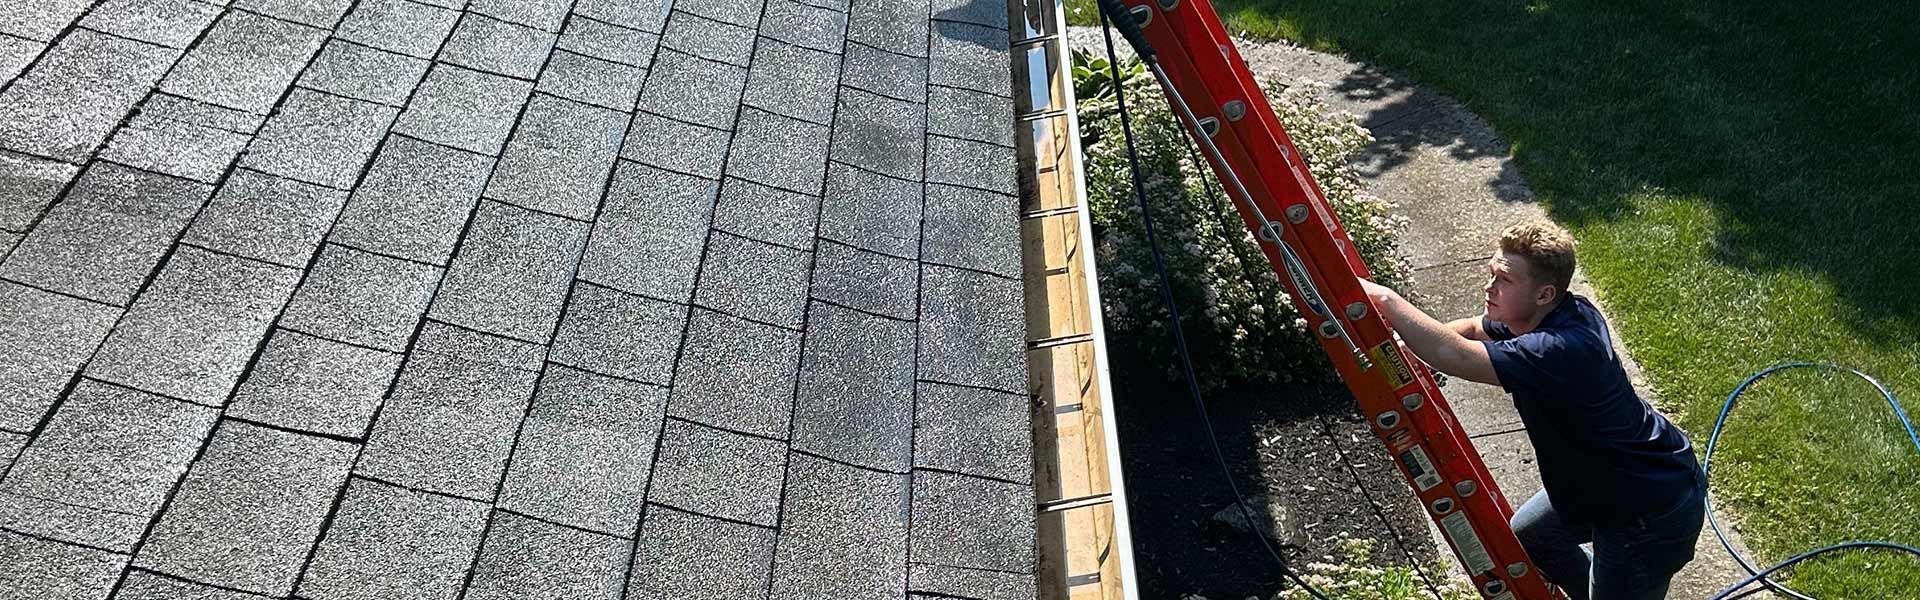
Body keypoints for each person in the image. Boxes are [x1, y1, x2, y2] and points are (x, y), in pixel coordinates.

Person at [1356, 221, 1706, 599]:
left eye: (1504, 280)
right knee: (1533, 535)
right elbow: (1474, 329)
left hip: (1647, 512)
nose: (1489, 287)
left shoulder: (1557, 349)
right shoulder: (1549, 315)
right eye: (1491, 273)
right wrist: (1414, 347)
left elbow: (1456, 356)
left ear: (1544, 294)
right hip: (1610, 485)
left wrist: (1388, 301)